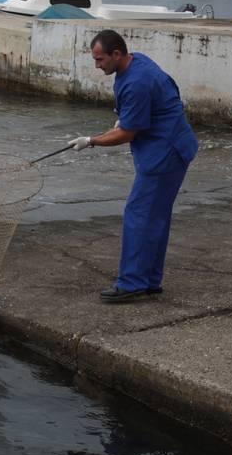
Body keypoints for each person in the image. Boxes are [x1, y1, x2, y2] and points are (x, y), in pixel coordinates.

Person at [68, 29, 198, 303]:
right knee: (156, 216)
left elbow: (127, 134)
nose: (97, 65)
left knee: (139, 214)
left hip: (164, 153)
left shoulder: (137, 81)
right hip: (173, 146)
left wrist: (91, 141)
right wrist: (126, 118)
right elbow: (160, 99)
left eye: (100, 59)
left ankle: (132, 283)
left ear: (117, 54)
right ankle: (150, 280)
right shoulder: (136, 62)